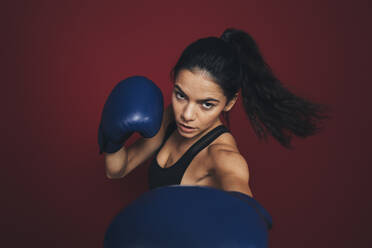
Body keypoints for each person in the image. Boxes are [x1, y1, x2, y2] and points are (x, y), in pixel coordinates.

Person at [100, 28, 329, 198]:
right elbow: (118, 170)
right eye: (180, 95)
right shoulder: (173, 117)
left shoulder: (223, 156)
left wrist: (243, 213)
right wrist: (113, 138)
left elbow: (242, 204)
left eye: (206, 104)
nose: (187, 114)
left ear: (230, 103)